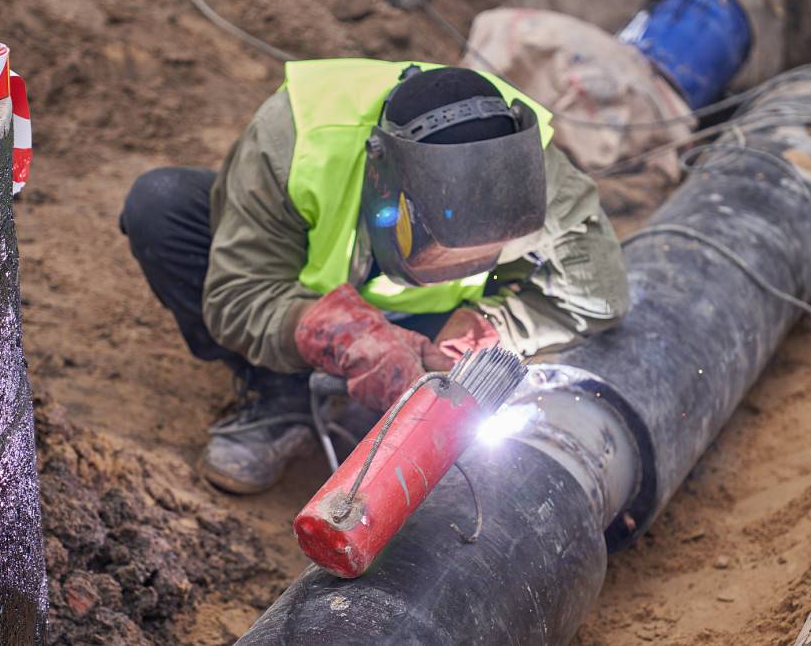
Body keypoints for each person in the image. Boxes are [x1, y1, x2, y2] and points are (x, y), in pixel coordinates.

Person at [120, 59, 630, 494]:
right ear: (385, 183)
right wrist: (345, 335)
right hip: (306, 293)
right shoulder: (296, 138)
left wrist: (490, 327)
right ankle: (282, 395)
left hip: (437, 329)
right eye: (443, 249)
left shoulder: (536, 169)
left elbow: (599, 296)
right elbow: (238, 293)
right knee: (161, 205)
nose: (456, 266)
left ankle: (424, 388)